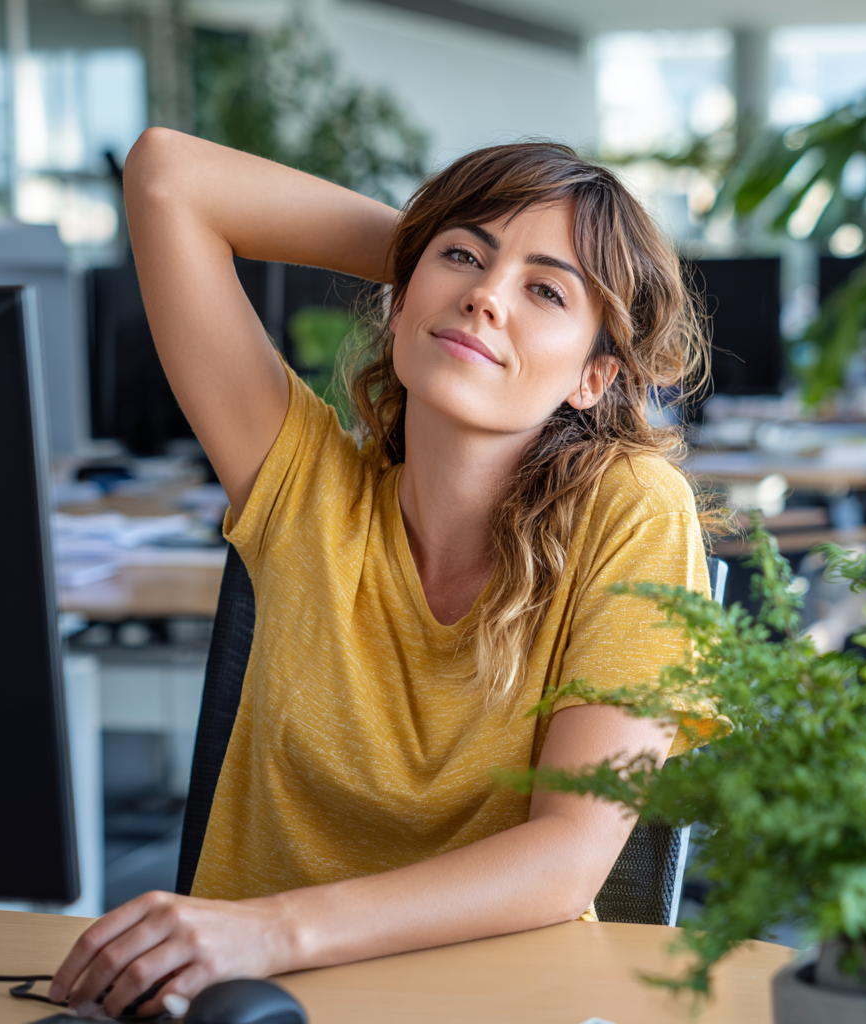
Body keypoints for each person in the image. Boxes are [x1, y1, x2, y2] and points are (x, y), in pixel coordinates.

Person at [50, 134, 721, 1017]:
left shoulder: (634, 510)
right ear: (399, 302)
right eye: (463, 259)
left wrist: (272, 930)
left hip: (497, 1005)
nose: (486, 297)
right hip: (254, 1007)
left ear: (595, 374)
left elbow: (568, 858)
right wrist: (431, 260)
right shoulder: (303, 484)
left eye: (545, 291)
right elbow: (168, 176)